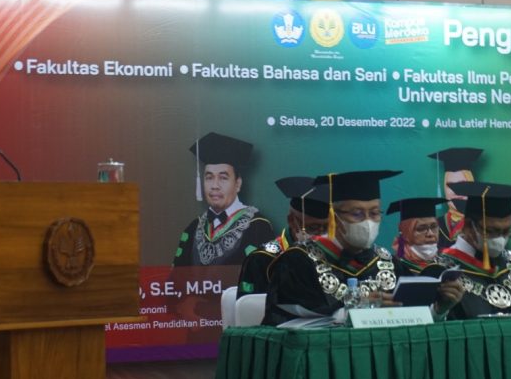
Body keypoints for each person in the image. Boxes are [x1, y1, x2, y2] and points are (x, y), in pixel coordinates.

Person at [263, 170, 408, 325]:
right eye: (357, 213)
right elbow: (281, 319)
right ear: (334, 218)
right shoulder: (298, 261)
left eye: (374, 213)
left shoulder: (389, 263)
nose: (368, 222)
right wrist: (349, 312)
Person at [424, 181, 511, 319]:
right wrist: (439, 311)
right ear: (468, 226)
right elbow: (420, 327)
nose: (500, 238)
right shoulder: (438, 272)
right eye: (491, 231)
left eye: (506, 231)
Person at [172, 132, 274, 266]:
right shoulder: (194, 228)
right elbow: (176, 275)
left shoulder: (258, 226)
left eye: (223, 178)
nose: (214, 186)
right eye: (209, 177)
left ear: (238, 183)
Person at [237, 176, 329, 298]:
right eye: (313, 227)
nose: (320, 235)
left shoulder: (332, 256)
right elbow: (248, 305)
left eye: (326, 228)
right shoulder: (261, 259)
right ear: (291, 221)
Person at [428, 147, 483, 248]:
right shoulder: (434, 226)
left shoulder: (484, 225)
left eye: (462, 184)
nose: (457, 191)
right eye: (450, 185)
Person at [386, 197, 448, 274]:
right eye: (421, 229)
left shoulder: (446, 266)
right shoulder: (394, 270)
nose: (430, 234)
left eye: (434, 227)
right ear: (406, 233)